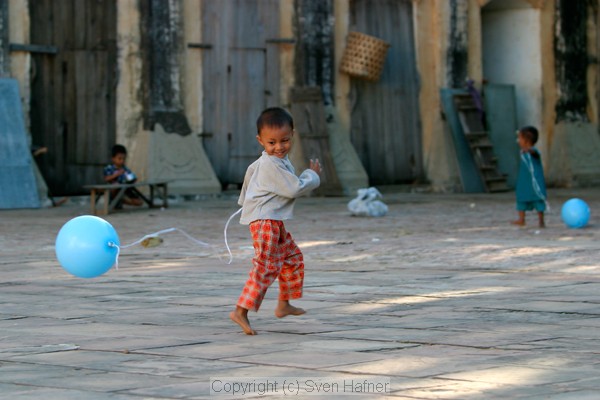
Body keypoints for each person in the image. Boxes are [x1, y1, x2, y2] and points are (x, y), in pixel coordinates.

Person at [230, 107, 322, 335]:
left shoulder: (270, 161)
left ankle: (283, 304)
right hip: (265, 222)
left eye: (284, 141)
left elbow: (249, 177)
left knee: (292, 258)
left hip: (272, 220)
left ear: (292, 135)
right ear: (260, 140)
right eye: (272, 143)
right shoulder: (271, 164)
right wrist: (312, 174)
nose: (278, 147)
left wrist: (246, 202)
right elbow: (294, 188)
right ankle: (241, 310)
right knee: (266, 265)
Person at [512, 126, 547, 228]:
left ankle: (541, 220)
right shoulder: (522, 152)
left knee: (538, 200)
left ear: (527, 140)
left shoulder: (533, 151)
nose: (518, 141)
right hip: (524, 181)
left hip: (535, 181)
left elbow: (535, 154)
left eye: (520, 138)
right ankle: (521, 219)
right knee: (521, 199)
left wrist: (530, 150)